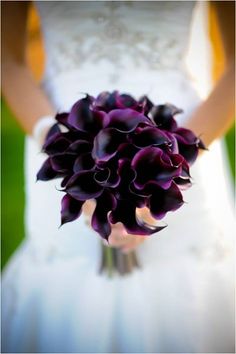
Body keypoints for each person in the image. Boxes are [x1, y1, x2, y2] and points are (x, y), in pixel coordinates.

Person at [2, 1, 235, 352]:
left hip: (186, 139)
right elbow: (8, 58)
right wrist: (62, 149)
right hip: (65, 138)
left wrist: (170, 165)